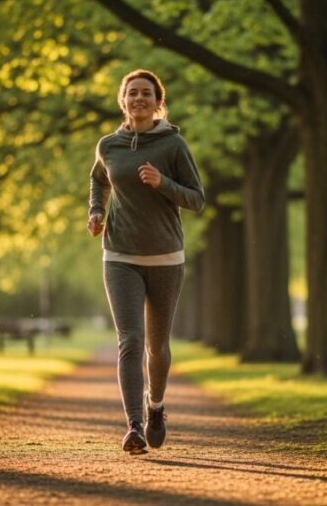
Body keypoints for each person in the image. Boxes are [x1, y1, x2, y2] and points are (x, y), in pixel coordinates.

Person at [87, 69, 205, 454]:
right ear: (123, 101)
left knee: (157, 347)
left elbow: (197, 199)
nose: (139, 98)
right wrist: (95, 211)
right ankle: (134, 426)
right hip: (119, 255)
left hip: (166, 257)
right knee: (130, 340)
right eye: (132, 93)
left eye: (146, 93)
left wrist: (162, 182)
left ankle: (156, 406)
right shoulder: (109, 145)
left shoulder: (173, 146)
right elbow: (99, 180)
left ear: (158, 102)